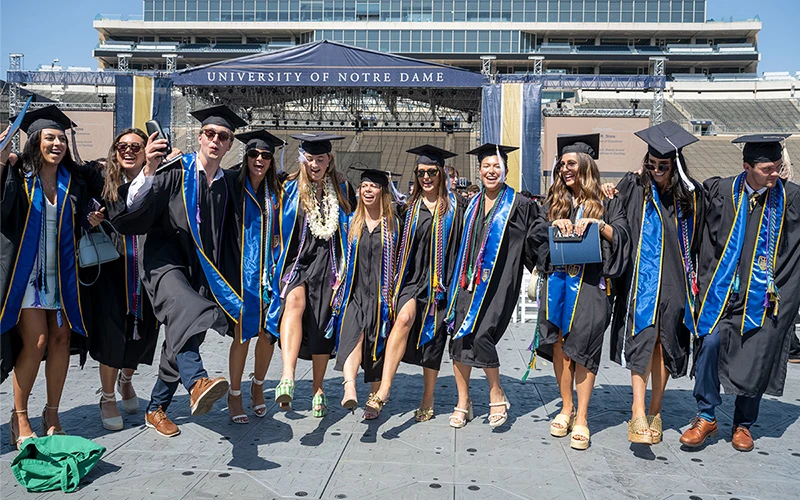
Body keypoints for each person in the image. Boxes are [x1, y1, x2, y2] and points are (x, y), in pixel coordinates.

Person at [113, 105, 247, 437]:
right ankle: (198, 381)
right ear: (200, 137)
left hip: (202, 270)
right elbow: (134, 205)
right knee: (188, 310)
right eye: (210, 134)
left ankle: (155, 408)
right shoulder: (176, 169)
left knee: (183, 338)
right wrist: (149, 168)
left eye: (224, 137)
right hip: (164, 262)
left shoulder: (229, 183)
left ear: (230, 145)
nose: (216, 140)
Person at [679, 134, 800, 452]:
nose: (776, 174)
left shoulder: (790, 198)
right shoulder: (721, 190)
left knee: (756, 352)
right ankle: (706, 415)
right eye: (767, 169)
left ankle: (743, 424)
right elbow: (687, 209)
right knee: (710, 343)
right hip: (722, 295)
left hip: (760, 298)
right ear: (746, 167)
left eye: (777, 167)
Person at [0, 106, 105, 448]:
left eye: (61, 138)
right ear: (36, 142)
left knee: (62, 339)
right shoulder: (19, 175)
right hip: (24, 276)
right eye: (50, 138)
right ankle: (19, 417)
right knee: (38, 341)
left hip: (60, 275)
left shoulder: (71, 182)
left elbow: (78, 218)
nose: (57, 143)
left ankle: (53, 413)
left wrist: (89, 218)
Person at [605, 122, 705, 445]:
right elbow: (616, 213)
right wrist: (609, 193)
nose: (657, 169)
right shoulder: (635, 186)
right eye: (652, 164)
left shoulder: (689, 197)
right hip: (643, 281)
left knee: (663, 344)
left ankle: (656, 411)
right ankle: (637, 410)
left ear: (674, 165)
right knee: (642, 338)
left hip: (675, 284)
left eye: (663, 165)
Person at [535, 134, 630, 450]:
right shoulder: (554, 202)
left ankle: (583, 417)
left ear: (586, 165)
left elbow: (623, 237)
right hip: (559, 284)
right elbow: (536, 240)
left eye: (571, 163)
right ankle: (566, 407)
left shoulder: (609, 200)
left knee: (585, 349)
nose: (565, 169)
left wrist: (597, 225)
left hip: (592, 286)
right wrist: (554, 229)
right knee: (561, 345)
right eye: (562, 164)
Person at [445, 143, 542, 430]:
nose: (491, 171)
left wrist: (541, 266)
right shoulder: (470, 204)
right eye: (486, 166)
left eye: (496, 166)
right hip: (468, 282)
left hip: (500, 282)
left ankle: (495, 391)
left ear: (506, 171)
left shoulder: (520, 205)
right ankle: (464, 402)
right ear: (479, 170)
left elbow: (535, 239)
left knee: (482, 336)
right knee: (460, 337)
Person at [365, 145, 463, 421]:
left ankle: (428, 397)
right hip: (411, 280)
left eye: (432, 172)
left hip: (441, 285)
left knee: (432, 342)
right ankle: (383, 390)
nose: (426, 178)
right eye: (421, 173)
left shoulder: (457, 208)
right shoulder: (407, 209)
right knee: (404, 319)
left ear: (441, 174)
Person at [267, 133, 354, 417]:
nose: (315, 164)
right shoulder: (287, 187)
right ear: (302, 158)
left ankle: (318, 388)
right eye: (310, 158)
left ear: (329, 160)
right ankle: (287, 376)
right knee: (294, 303)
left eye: (320, 159)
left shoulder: (341, 187)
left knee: (321, 325)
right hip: (296, 262)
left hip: (328, 265)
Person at [84, 128, 164, 431]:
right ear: (115, 150)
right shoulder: (101, 179)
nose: (128, 151)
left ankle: (126, 379)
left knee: (143, 334)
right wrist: (90, 215)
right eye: (122, 146)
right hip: (112, 270)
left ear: (146, 150)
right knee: (112, 334)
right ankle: (107, 396)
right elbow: (82, 203)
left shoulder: (159, 180)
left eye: (135, 146)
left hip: (147, 269)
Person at [226, 130, 286, 424]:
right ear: (246, 157)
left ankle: (258, 386)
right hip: (242, 273)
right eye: (253, 154)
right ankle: (234, 393)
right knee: (243, 334)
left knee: (268, 334)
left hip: (271, 273)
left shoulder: (277, 191)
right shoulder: (231, 186)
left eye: (265, 155)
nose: (259, 159)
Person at [332, 168, 400, 415]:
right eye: (364, 186)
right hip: (355, 293)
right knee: (353, 338)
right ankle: (349, 387)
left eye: (373, 186)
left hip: (382, 296)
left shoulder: (395, 226)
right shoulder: (351, 222)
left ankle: (374, 395)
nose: (368, 190)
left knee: (377, 345)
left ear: (382, 191)